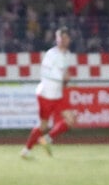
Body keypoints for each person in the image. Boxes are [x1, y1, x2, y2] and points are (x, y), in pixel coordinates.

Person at [21, 27, 75, 159]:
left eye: (64, 38)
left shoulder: (67, 55)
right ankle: (26, 150)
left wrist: (66, 80)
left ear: (69, 39)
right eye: (59, 38)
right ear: (57, 40)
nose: (62, 41)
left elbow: (64, 76)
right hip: (46, 95)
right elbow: (54, 74)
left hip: (57, 95)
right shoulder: (53, 54)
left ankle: (47, 139)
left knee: (71, 119)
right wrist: (64, 78)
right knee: (43, 125)